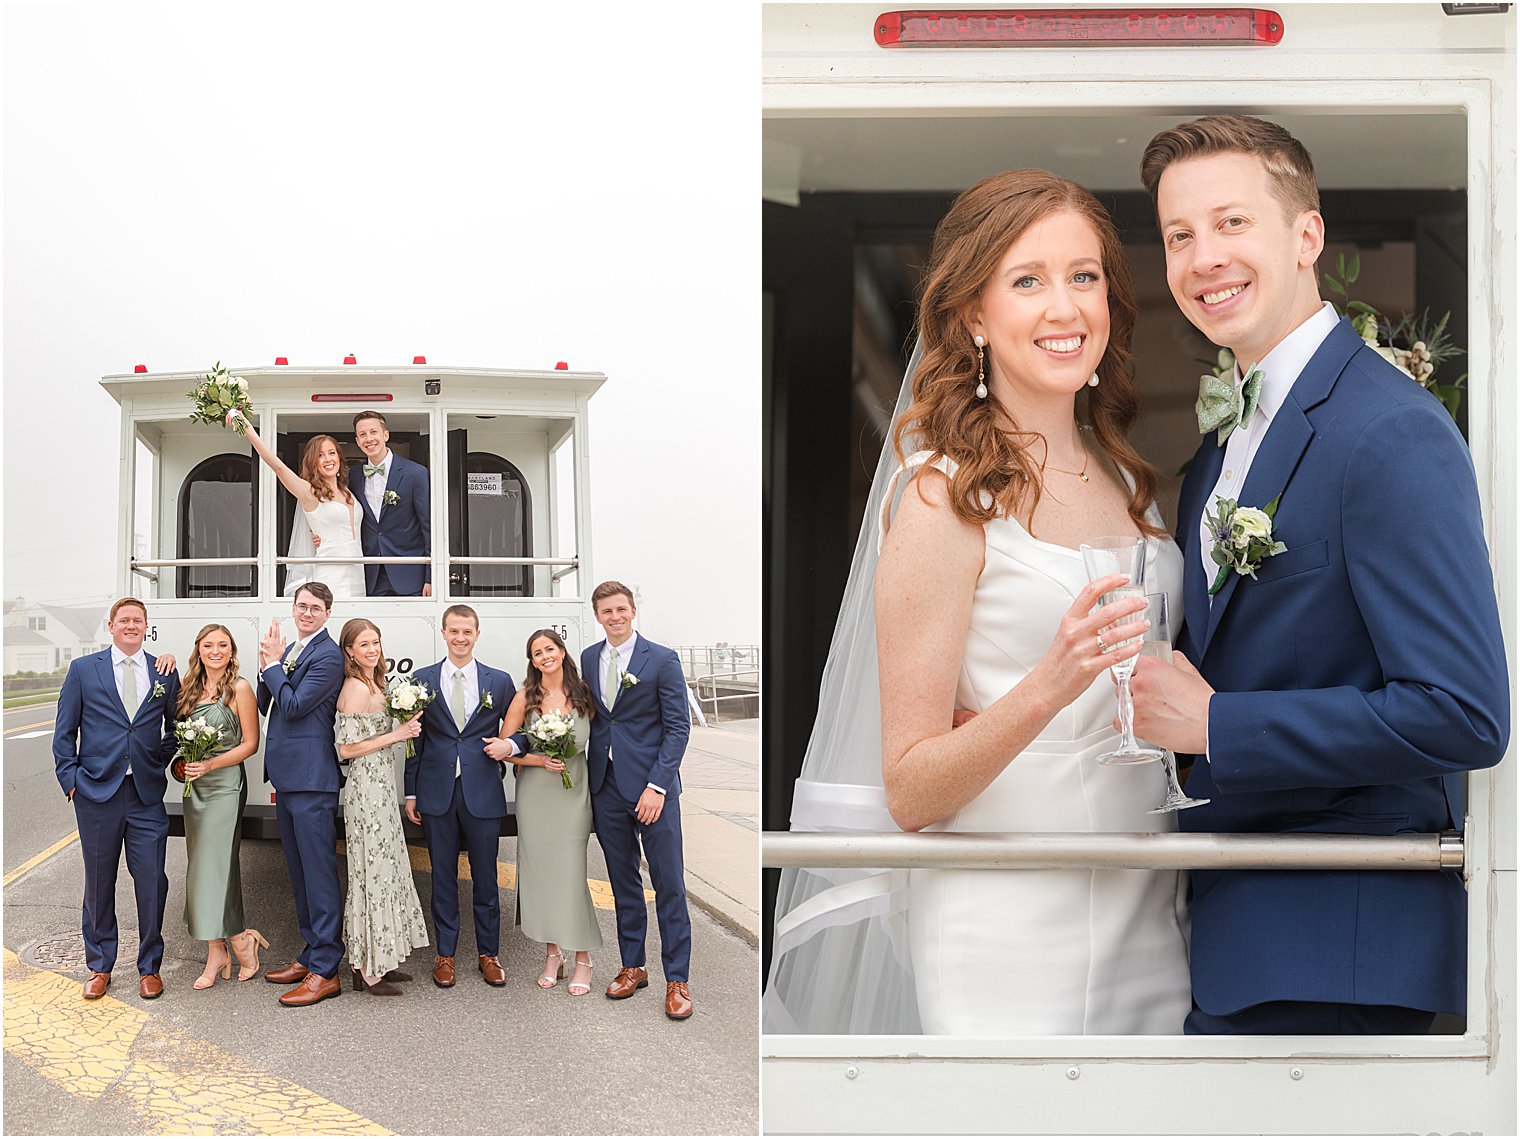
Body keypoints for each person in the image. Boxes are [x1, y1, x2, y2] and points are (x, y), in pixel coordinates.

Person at [763, 170, 1191, 1037]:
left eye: (1084, 276)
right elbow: (913, 785)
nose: (1065, 307)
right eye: (1027, 281)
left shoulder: (1129, 483)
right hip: (1006, 920)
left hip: (1151, 906)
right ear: (973, 318)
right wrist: (1049, 682)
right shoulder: (942, 499)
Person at [1129, 114, 1508, 1035]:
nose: (1202, 257)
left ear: (1308, 236)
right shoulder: (1220, 448)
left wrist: (1216, 722)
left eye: (1231, 223)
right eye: (1180, 235)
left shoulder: (1391, 430)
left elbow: (1464, 712)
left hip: (1346, 957)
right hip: (1231, 940)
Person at [53, 597, 180, 1001]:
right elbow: (64, 731)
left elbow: (174, 730)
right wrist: (71, 780)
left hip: (145, 795)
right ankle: (100, 965)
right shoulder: (83, 671)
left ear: (146, 626)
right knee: (98, 883)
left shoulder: (163, 671)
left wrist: (155, 761)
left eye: (137, 620)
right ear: (110, 626)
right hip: (96, 793)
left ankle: (149, 967)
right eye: (123, 620)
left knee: (152, 882)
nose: (130, 626)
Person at [581, 581, 694, 1019]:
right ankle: (633, 967)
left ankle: (678, 980)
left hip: (654, 790)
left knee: (668, 884)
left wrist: (658, 786)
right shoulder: (590, 658)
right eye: (607, 611)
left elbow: (678, 728)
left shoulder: (662, 659)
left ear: (633, 611)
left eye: (621, 609)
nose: (615, 616)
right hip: (606, 786)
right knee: (623, 882)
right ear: (597, 616)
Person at [404, 605, 519, 989]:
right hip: (436, 792)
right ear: (443, 632)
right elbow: (412, 740)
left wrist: (509, 744)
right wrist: (410, 791)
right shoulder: (422, 679)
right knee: (442, 878)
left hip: (482, 791)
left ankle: (489, 954)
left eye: (467, 631)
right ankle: (445, 955)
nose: (460, 637)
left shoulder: (499, 681)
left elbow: (522, 728)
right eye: (454, 631)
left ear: (477, 634)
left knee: (486, 878)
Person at [491, 628, 602, 996]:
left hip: (574, 795)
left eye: (549, 649)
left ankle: (583, 957)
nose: (544, 656)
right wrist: (537, 759)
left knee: (570, 874)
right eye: (536, 652)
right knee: (539, 874)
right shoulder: (525, 698)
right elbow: (502, 748)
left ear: (561, 651)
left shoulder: (585, 693)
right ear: (532, 660)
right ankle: (553, 954)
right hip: (536, 795)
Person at [257, 582, 348, 1007]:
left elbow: (294, 707)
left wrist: (274, 666)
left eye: (315, 608)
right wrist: (266, 663)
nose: (306, 613)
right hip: (288, 779)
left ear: (328, 613)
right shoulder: (292, 650)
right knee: (299, 875)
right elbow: (266, 703)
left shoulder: (329, 656)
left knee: (320, 876)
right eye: (301, 606)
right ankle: (311, 952)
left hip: (313, 780)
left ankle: (326, 970)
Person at [334, 618, 429, 995]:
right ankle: (366, 968)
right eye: (364, 644)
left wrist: (403, 727)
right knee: (371, 873)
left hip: (382, 786)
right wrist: (397, 734)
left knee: (386, 870)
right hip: (365, 788)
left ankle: (379, 959)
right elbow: (346, 749)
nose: (371, 649)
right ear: (350, 652)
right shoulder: (355, 688)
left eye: (375, 642)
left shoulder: (377, 682)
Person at [175, 623, 267, 988]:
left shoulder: (239, 688)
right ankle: (224, 946)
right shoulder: (188, 689)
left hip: (225, 785)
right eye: (208, 645)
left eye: (223, 645)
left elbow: (250, 744)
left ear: (231, 651)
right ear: (198, 650)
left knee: (220, 865)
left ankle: (232, 944)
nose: (216, 651)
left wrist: (212, 763)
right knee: (200, 867)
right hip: (195, 788)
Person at [229, 410, 366, 600]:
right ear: (313, 462)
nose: (328, 459)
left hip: (358, 572)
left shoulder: (348, 491)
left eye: (331, 453)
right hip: (330, 574)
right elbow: (278, 467)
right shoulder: (310, 493)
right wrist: (247, 428)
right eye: (320, 455)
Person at [349, 410, 431, 597]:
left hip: (410, 575)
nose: (368, 439)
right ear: (357, 441)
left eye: (373, 432)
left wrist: (431, 577)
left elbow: (428, 527)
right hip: (371, 575)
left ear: (385, 435)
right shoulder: (354, 475)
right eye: (362, 435)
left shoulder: (415, 473)